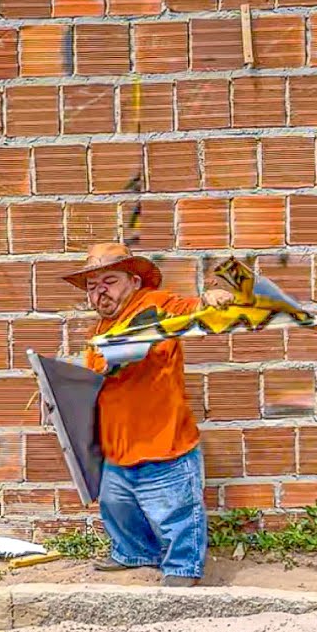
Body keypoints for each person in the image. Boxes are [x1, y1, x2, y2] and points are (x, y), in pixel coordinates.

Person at [63, 242, 235, 587]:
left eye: (108, 281)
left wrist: (212, 297)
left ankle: (183, 568)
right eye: (92, 287)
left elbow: (193, 309)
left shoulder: (155, 305)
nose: (100, 292)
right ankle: (135, 553)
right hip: (119, 447)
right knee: (116, 505)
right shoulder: (98, 330)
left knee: (177, 513)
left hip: (164, 443)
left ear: (134, 282)